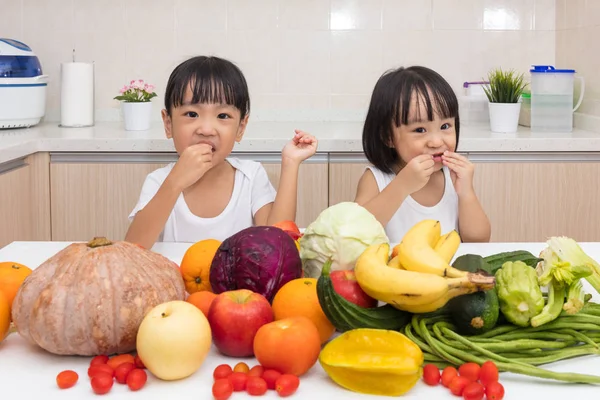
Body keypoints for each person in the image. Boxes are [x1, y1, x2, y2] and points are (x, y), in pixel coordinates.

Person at [125, 56, 317, 249]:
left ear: (241, 127)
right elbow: (132, 249)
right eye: (192, 114)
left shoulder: (250, 177)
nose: (206, 129)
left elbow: (277, 242)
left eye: (222, 116)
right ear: (168, 124)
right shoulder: (159, 181)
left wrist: (290, 163)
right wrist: (175, 183)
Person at [354, 66, 491, 244]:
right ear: (388, 137)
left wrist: (467, 193)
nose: (436, 141)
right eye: (420, 129)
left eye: (445, 127)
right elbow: (356, 234)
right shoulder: (377, 179)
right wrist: (402, 185)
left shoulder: (452, 178)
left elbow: (479, 241)